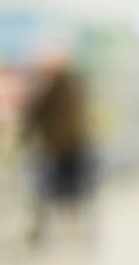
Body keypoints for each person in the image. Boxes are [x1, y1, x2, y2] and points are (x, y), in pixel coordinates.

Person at [23, 59, 94, 245]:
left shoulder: (51, 89)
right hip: (71, 145)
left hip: (60, 147)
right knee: (71, 190)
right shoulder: (74, 86)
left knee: (57, 190)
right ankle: (70, 226)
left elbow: (33, 117)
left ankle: (62, 228)